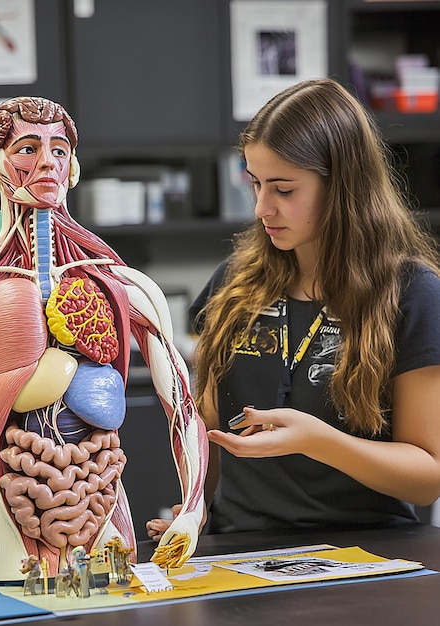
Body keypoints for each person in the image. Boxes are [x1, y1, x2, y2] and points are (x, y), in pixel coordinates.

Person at [0, 96, 208, 581]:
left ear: (74, 168)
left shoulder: (125, 286)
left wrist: (192, 506)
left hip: (99, 495)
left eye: (58, 150)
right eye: (26, 148)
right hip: (13, 498)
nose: (46, 163)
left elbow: (182, 403)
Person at [147, 77, 440, 540]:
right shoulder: (233, 285)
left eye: (283, 189)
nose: (263, 207)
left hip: (368, 555)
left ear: (343, 187)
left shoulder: (410, 293)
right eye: (256, 184)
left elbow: (428, 476)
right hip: (240, 551)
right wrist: (194, 511)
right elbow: (208, 432)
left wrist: (320, 442)